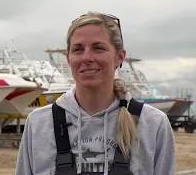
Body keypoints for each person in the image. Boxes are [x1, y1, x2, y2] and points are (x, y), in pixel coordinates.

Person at [15, 11, 176, 175]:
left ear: (119, 57)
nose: (87, 57)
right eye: (78, 49)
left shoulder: (153, 124)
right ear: (69, 59)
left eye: (98, 48)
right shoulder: (38, 124)